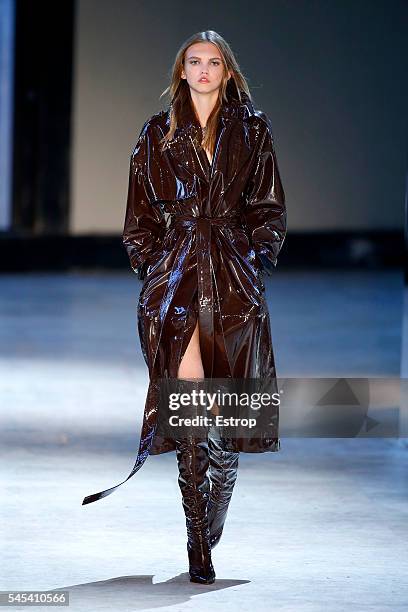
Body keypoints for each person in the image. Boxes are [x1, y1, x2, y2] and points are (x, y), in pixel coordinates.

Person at [82, 30, 287, 585]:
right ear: (181, 71)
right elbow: (138, 218)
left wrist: (257, 255)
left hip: (232, 279)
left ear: (227, 71)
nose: (202, 71)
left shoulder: (253, 130)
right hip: (176, 280)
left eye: (212, 62)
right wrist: (152, 267)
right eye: (193, 62)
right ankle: (199, 545)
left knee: (227, 411)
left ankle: (219, 492)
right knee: (191, 403)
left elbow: (268, 205)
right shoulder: (157, 135)